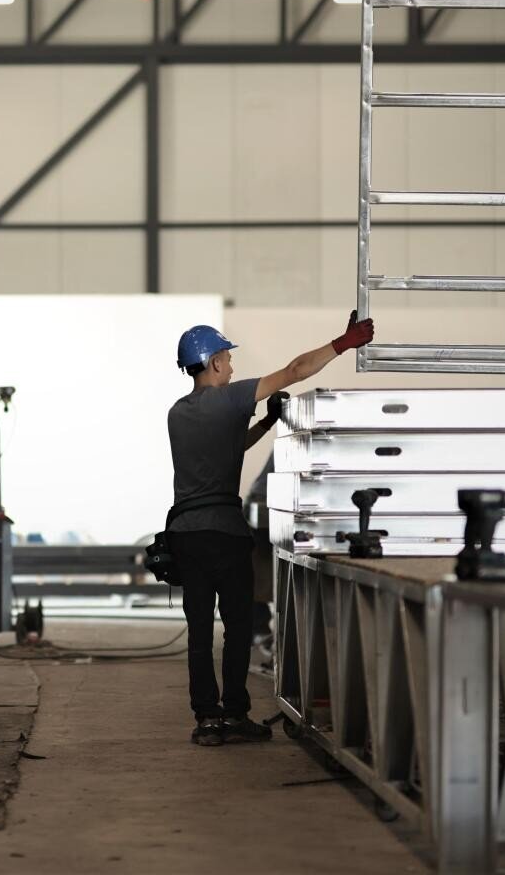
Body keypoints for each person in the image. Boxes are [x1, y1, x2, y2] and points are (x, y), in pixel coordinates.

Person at [166, 313, 375, 746]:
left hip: (185, 534)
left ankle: (206, 719)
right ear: (213, 362)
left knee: (200, 630)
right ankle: (235, 715)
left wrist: (265, 424)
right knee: (238, 627)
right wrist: (343, 342)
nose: (233, 366)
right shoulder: (229, 399)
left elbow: (229, 446)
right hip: (223, 531)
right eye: (227, 357)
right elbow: (295, 371)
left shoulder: (178, 413)